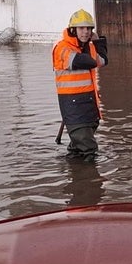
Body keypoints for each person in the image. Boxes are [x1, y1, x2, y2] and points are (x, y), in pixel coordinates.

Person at [52, 9, 108, 162]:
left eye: (89, 28)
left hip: (89, 104)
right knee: (89, 149)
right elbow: (85, 62)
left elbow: (102, 61)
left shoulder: (88, 46)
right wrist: (91, 45)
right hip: (73, 106)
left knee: (78, 149)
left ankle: (74, 174)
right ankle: (89, 183)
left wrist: (98, 42)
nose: (86, 32)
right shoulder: (62, 47)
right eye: (82, 28)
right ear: (73, 30)